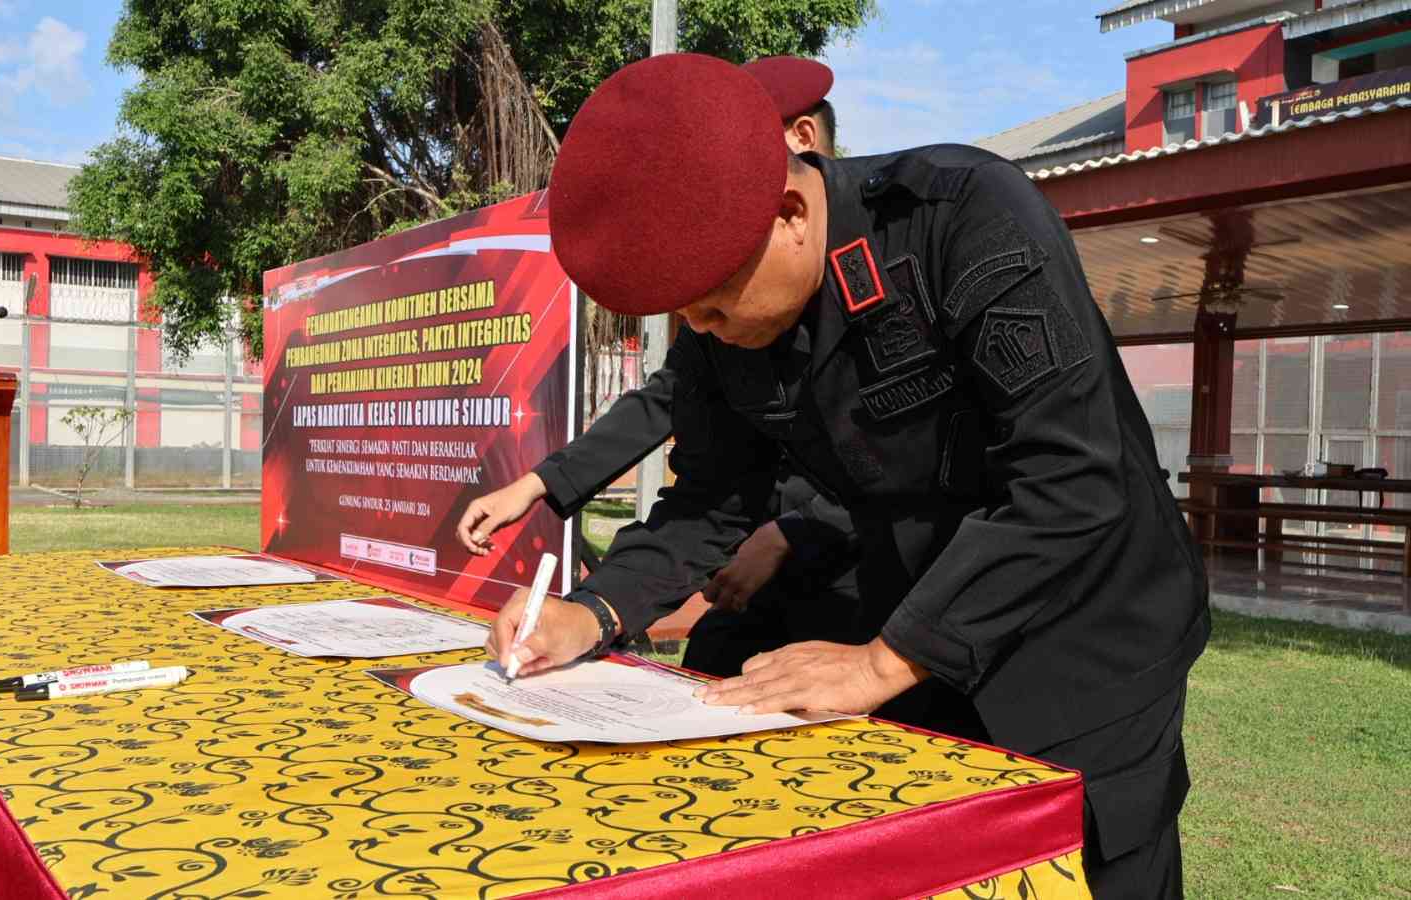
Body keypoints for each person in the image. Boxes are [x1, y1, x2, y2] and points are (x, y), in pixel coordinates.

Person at [487, 53, 1208, 899]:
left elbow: (1070, 481)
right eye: (685, 315)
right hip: (915, 632)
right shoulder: (722, 312)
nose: (701, 330)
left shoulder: (965, 218)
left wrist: (883, 662)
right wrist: (592, 609)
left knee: (1090, 869)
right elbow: (714, 494)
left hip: (1084, 643)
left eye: (713, 305)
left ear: (790, 211)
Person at [456, 57, 868, 680]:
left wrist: (793, 530)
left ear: (799, 142)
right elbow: (672, 410)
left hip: (879, 588)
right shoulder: (716, 315)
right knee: (709, 662)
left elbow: (921, 467)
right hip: (749, 547)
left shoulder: (896, 254)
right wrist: (543, 491)